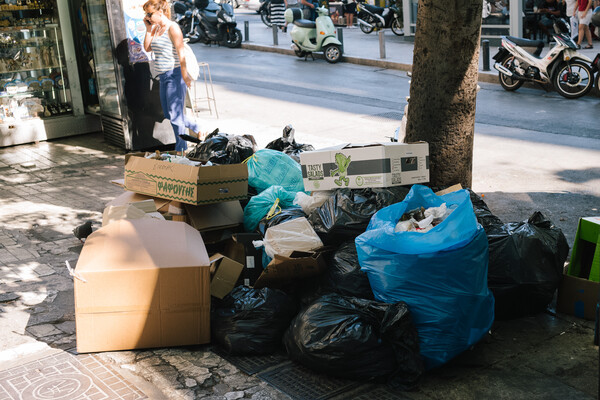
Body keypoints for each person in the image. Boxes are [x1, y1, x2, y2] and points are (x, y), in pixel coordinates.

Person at [143, 0, 203, 153]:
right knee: (169, 115)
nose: (148, 17)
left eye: (150, 14)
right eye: (146, 14)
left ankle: (181, 151)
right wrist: (148, 29)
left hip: (174, 75)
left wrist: (184, 75)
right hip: (163, 77)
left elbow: (180, 51)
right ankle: (198, 128)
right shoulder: (156, 29)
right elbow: (147, 47)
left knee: (176, 117)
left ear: (160, 12)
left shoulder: (173, 27)